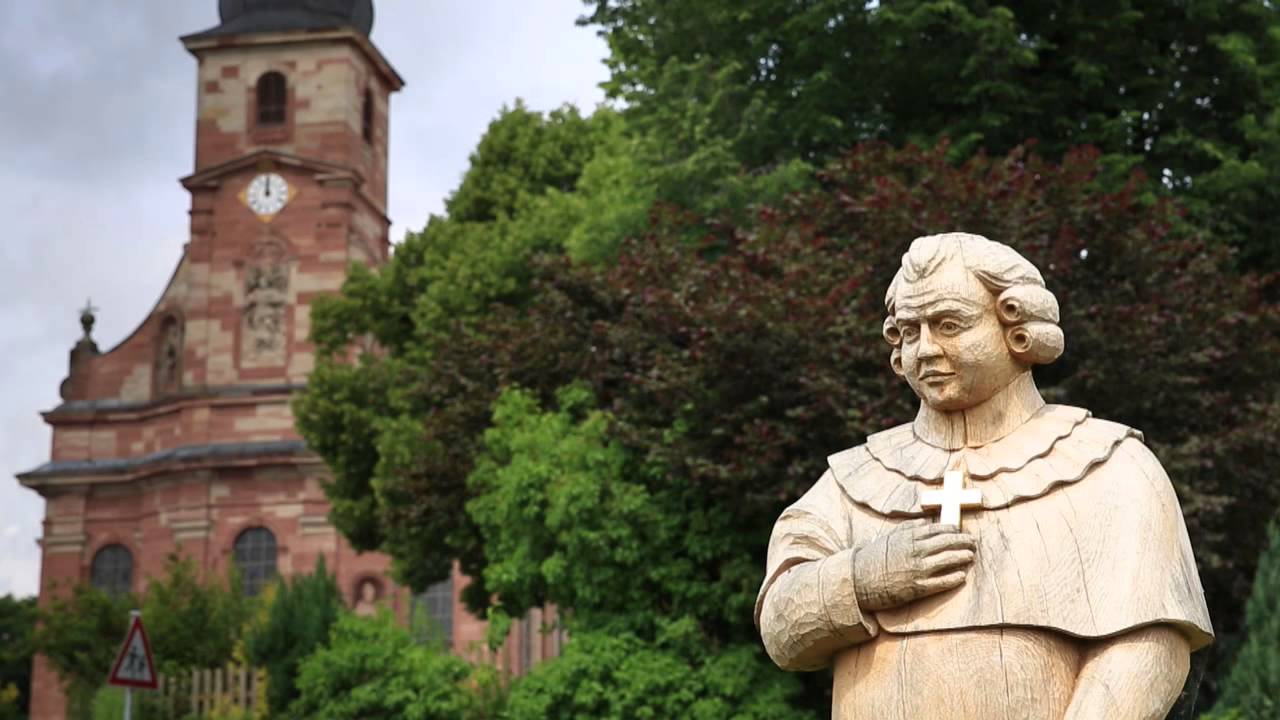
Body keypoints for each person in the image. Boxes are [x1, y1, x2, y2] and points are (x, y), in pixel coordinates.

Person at [756, 233, 1213, 719]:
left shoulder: (1111, 466)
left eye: (949, 324)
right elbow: (782, 632)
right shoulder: (853, 481)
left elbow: (1149, 648)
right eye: (910, 332)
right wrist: (862, 579)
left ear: (1017, 329)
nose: (925, 349)